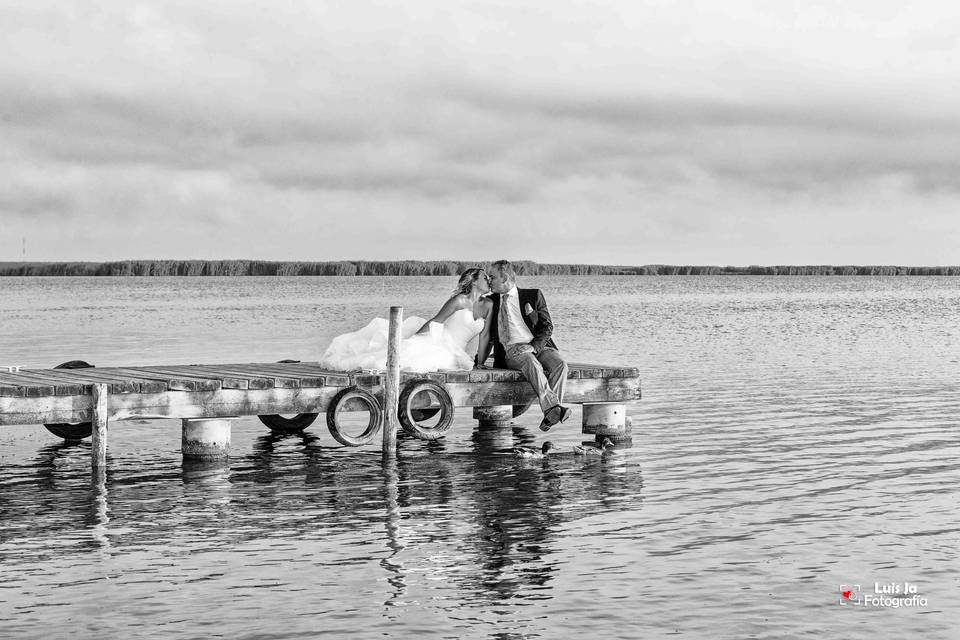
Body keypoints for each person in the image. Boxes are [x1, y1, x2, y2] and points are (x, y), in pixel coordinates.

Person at [318, 268, 490, 372]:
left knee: (456, 363)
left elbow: (485, 336)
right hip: (442, 343)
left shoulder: (487, 304)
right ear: (474, 282)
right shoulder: (459, 300)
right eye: (484, 277)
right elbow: (436, 321)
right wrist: (415, 338)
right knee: (411, 357)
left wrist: (481, 362)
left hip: (459, 349)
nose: (488, 279)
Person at [475, 260, 571, 432]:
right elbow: (487, 334)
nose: (490, 280)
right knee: (531, 363)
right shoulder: (490, 301)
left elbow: (547, 327)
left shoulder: (533, 295)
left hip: (538, 346)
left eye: (493, 277)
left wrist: (534, 347)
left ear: (505, 278)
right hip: (513, 350)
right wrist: (478, 361)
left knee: (561, 365)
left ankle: (551, 411)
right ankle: (553, 408)